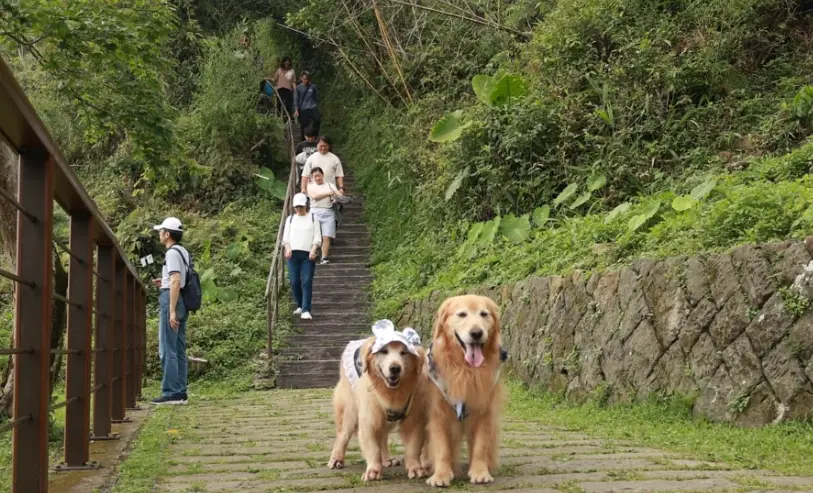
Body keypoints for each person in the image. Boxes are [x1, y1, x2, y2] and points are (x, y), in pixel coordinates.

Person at [150, 217, 191, 405]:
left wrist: (172, 311)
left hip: (172, 299)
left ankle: (171, 392)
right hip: (181, 298)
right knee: (179, 347)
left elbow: (175, 280)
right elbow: (177, 279)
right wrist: (163, 281)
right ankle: (180, 390)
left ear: (168, 234)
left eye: (161, 231)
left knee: (167, 347)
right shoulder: (183, 252)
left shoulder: (172, 253)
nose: (159, 234)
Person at [282, 193, 322, 319]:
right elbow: (286, 238)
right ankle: (299, 304)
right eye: (297, 207)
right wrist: (287, 248)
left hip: (307, 255)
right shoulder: (290, 219)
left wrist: (313, 249)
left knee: (306, 281)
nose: (299, 209)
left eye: (301, 206)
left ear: (306, 205)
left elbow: (317, 237)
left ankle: (306, 309)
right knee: (294, 281)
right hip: (293, 254)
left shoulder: (313, 218)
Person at [307, 167, 342, 264]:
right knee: (314, 236)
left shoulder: (330, 185)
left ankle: (324, 257)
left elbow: (338, 195)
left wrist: (336, 197)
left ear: (323, 175)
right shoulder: (310, 186)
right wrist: (329, 193)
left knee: (327, 236)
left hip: (328, 212)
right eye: (315, 176)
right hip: (315, 213)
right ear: (312, 177)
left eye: (319, 175)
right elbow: (314, 196)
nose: (317, 178)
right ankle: (311, 255)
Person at [294, 71, 321, 142]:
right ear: (301, 78)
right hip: (303, 109)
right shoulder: (298, 88)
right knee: (304, 126)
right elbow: (296, 99)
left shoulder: (313, 87)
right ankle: (303, 141)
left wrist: (315, 105)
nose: (306, 80)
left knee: (317, 121)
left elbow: (316, 97)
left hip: (312, 108)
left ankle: (315, 137)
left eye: (307, 79)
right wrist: (296, 110)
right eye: (304, 79)